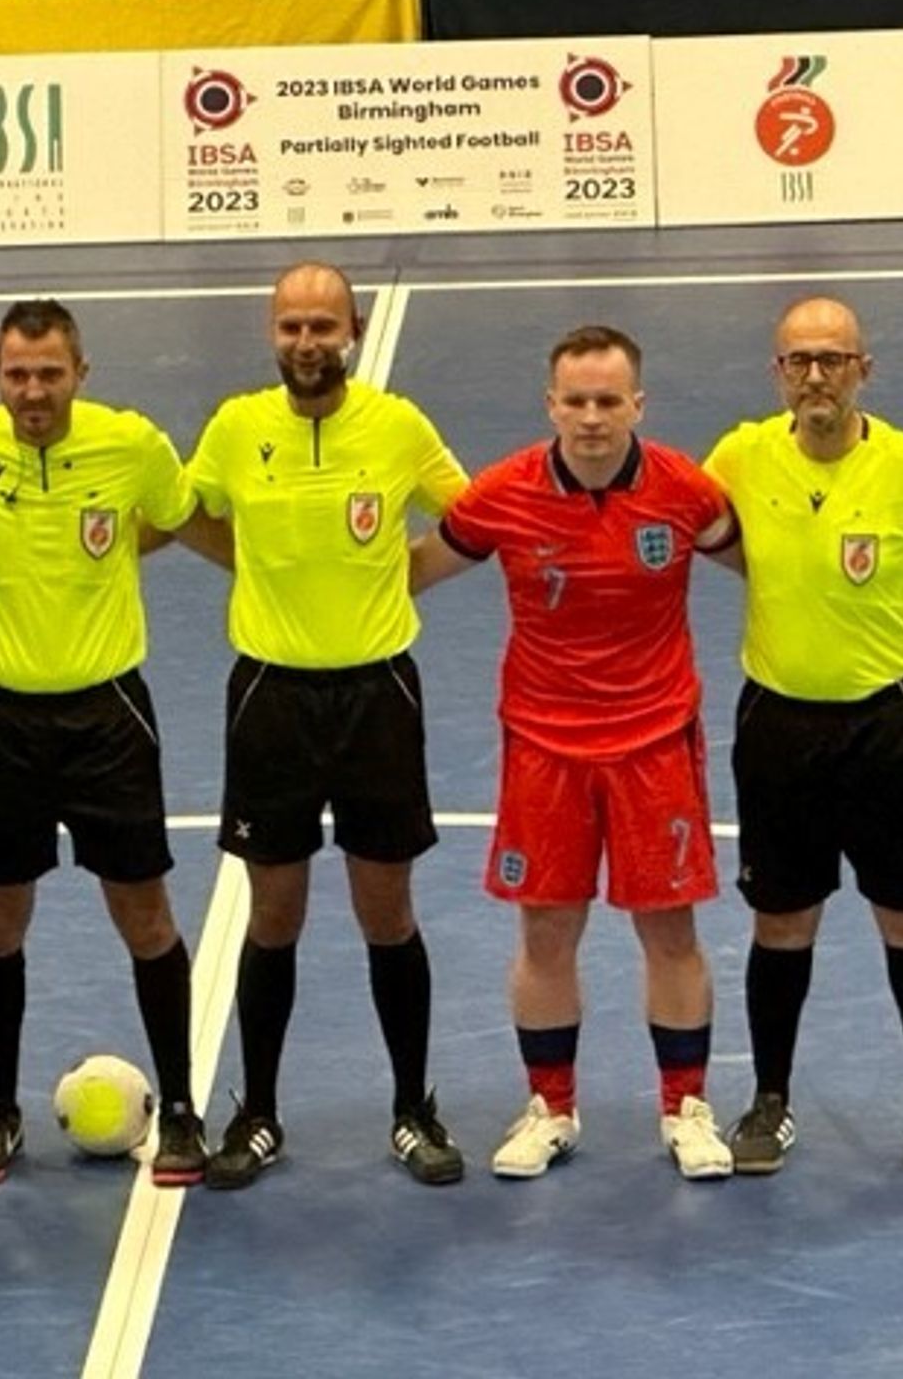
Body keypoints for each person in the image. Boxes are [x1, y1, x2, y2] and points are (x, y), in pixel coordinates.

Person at [0, 299, 228, 1188]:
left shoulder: (131, 444)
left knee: (146, 916)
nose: (34, 390)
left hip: (109, 716)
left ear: (81, 372)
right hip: (1, 718)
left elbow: (178, 515)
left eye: (50, 373)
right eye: (18, 374)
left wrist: (119, 545)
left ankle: (183, 1109)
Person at [410, 324, 740, 1181]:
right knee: (547, 930)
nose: (593, 417)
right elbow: (409, 573)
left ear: (638, 405)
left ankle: (686, 1108)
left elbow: (773, 570)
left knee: (670, 930)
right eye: (577, 401)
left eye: (608, 401)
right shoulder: (503, 494)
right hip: (543, 746)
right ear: (551, 405)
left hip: (655, 743)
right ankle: (551, 1107)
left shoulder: (685, 491)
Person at [187, 261, 469, 1190]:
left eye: (322, 326)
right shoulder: (236, 427)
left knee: (387, 913)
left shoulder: (397, 427)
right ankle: (259, 1113)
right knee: (274, 914)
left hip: (377, 697)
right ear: (273, 333)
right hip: (271, 697)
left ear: (353, 331)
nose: (306, 342)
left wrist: (403, 576)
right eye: (291, 326)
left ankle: (413, 1110)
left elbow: (472, 519)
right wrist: (254, 567)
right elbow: (185, 514)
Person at [704, 297, 903, 1174]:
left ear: (865, 370)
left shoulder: (898, 464)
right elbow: (692, 523)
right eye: (799, 361)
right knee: (781, 923)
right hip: (777, 725)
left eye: (833, 359)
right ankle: (770, 1100)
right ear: (777, 373)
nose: (815, 376)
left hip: (886, 726)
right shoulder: (743, 455)